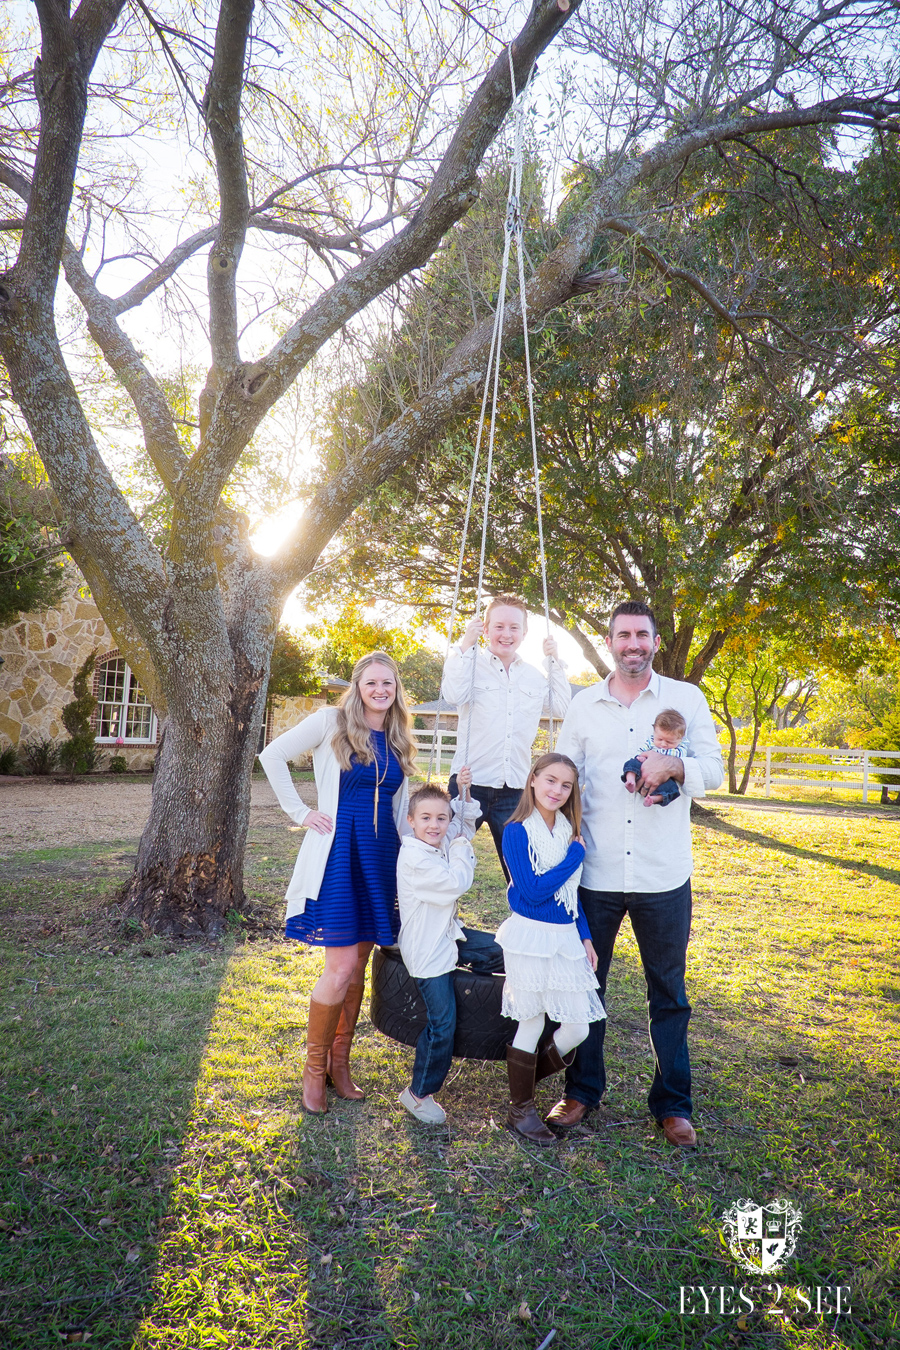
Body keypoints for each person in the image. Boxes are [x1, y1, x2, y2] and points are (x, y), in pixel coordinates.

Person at [551, 602, 724, 1147]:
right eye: (623, 635)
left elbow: (714, 771)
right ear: (609, 642)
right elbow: (561, 778)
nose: (633, 643)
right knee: (587, 986)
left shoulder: (686, 699)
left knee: (668, 993)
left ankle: (673, 1106)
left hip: (662, 875)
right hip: (596, 872)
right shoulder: (583, 706)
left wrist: (676, 766)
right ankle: (581, 1092)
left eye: (641, 635)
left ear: (654, 640)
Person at [259, 651, 418, 1116]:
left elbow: (400, 809)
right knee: (341, 967)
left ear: (396, 688)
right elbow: (273, 755)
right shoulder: (332, 721)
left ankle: (339, 1063)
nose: (380, 690)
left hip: (381, 858)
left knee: (359, 965)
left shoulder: (398, 737)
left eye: (387, 683)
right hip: (339, 854)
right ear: (358, 685)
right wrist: (301, 812)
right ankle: (312, 1070)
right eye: (371, 682)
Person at [497, 753, 605, 1144]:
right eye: (550, 781)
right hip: (530, 935)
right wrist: (575, 856)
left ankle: (519, 1085)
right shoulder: (516, 831)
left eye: (566, 785)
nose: (557, 790)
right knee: (532, 1022)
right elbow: (532, 890)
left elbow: (569, 894)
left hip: (564, 937)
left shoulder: (566, 829)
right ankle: (521, 1110)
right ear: (533, 780)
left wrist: (586, 936)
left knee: (576, 1026)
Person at [396, 774, 504, 1126]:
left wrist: (465, 790)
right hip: (428, 953)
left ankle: (475, 989)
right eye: (425, 818)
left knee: (504, 949)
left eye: (441, 818)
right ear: (410, 821)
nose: (435, 825)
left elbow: (463, 823)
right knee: (442, 1023)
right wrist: (459, 848)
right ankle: (418, 1092)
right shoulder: (415, 858)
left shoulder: (437, 841)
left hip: (448, 937)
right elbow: (456, 883)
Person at [441, 593, 571, 874]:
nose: (506, 634)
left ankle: (524, 917)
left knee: (520, 868)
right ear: (485, 629)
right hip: (469, 784)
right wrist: (466, 644)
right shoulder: (470, 666)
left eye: (514, 627)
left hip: (515, 788)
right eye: (498, 626)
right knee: (450, 859)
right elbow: (453, 693)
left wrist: (553, 660)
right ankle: (444, 919)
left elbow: (561, 705)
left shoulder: (534, 677)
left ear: (524, 633)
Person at [622, 708, 688, 807]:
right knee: (631, 763)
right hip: (643, 766)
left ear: (680, 739)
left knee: (672, 789)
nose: (663, 744)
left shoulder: (681, 748)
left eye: (670, 742)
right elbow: (642, 750)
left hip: (665, 778)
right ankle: (630, 780)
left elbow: (680, 758)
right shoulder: (651, 741)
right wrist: (641, 757)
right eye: (660, 739)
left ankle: (653, 799)